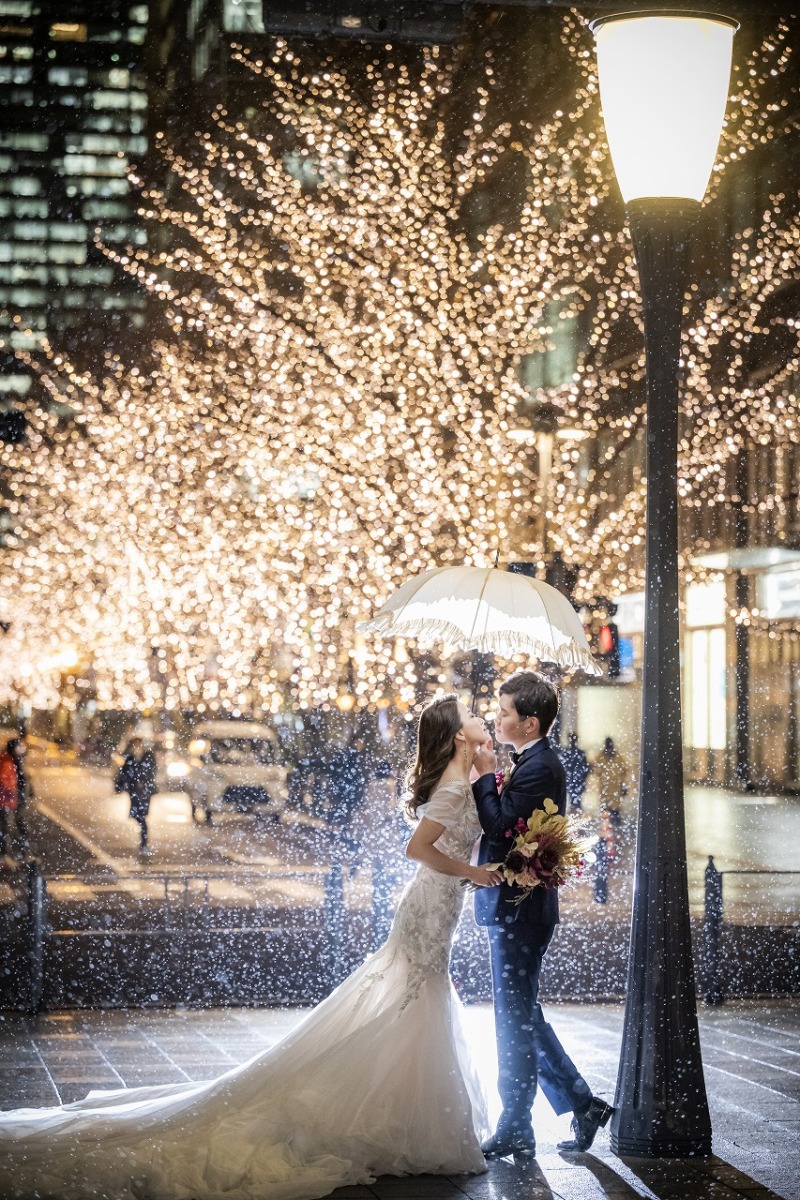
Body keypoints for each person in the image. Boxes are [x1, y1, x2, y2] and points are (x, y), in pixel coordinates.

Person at [0, 694, 501, 1200]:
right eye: (472, 716)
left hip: (439, 904)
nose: (482, 717)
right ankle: (407, 1117)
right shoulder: (454, 786)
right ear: (458, 735)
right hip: (430, 906)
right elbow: (418, 849)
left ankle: (406, 1109)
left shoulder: (465, 779)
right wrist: (478, 872)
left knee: (414, 998)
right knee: (418, 994)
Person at [472, 670, 613, 1159]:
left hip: (521, 911)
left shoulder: (539, 766)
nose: (497, 715)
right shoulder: (531, 760)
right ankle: (577, 1102)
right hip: (517, 909)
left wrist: (480, 777)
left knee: (514, 1021)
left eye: (505, 711)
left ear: (529, 723)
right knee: (522, 1016)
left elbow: (499, 825)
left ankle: (516, 1124)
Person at [113, 736, 157, 854]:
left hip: (144, 791)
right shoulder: (131, 757)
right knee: (137, 815)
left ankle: (144, 842)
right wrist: (119, 786)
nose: (137, 746)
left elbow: (152, 771)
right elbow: (124, 772)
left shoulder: (148, 756)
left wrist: (144, 782)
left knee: (142, 816)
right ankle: (143, 841)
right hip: (134, 791)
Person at [592, 736, 630, 826]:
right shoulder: (605, 756)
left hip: (612, 787)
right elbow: (624, 770)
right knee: (609, 808)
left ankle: (612, 825)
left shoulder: (611, 756)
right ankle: (610, 826)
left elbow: (596, 770)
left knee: (612, 808)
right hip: (609, 787)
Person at [558, 731, 590, 813]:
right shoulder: (580, 753)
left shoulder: (566, 752)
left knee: (574, 798)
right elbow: (586, 768)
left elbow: (562, 766)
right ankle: (576, 812)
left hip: (572, 779)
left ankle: (575, 812)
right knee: (576, 799)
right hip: (576, 779)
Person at [5, 736, 30, 841]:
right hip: (9, 794)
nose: (19, 749)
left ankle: (22, 844)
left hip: (16, 793)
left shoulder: (15, 759)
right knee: (7, 821)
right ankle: (7, 847)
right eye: (17, 747)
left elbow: (23, 777)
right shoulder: (7, 761)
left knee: (17, 819)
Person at [0, 740, 18, 861]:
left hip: (4, 800)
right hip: (4, 801)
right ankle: (4, 856)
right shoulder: (7, 762)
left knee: (5, 828)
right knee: (5, 828)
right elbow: (6, 781)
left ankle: (5, 855)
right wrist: (12, 793)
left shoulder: (6, 759)